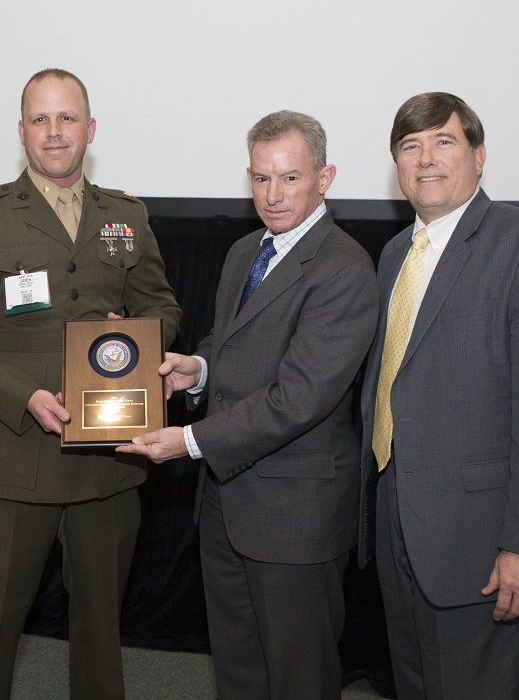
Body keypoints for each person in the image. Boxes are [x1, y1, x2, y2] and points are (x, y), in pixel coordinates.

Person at [0, 68, 181, 700]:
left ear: (89, 129)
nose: (54, 132)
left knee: (100, 629)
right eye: (39, 119)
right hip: (13, 454)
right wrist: (22, 396)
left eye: (67, 118)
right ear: (21, 132)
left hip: (107, 457)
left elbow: (165, 308)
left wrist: (140, 335)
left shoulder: (125, 215)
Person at [118, 111, 378, 698]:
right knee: (237, 670)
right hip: (225, 504)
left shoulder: (343, 269)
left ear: (325, 177)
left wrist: (188, 441)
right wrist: (198, 368)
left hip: (295, 517)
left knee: (298, 677)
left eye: (289, 178)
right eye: (261, 179)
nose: (274, 194)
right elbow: (227, 344)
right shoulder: (243, 252)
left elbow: (299, 398)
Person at [358, 92, 519, 699]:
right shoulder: (392, 257)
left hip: (487, 546)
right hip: (399, 530)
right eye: (410, 146)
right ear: (396, 165)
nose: (426, 158)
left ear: (479, 156)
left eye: (444, 141)